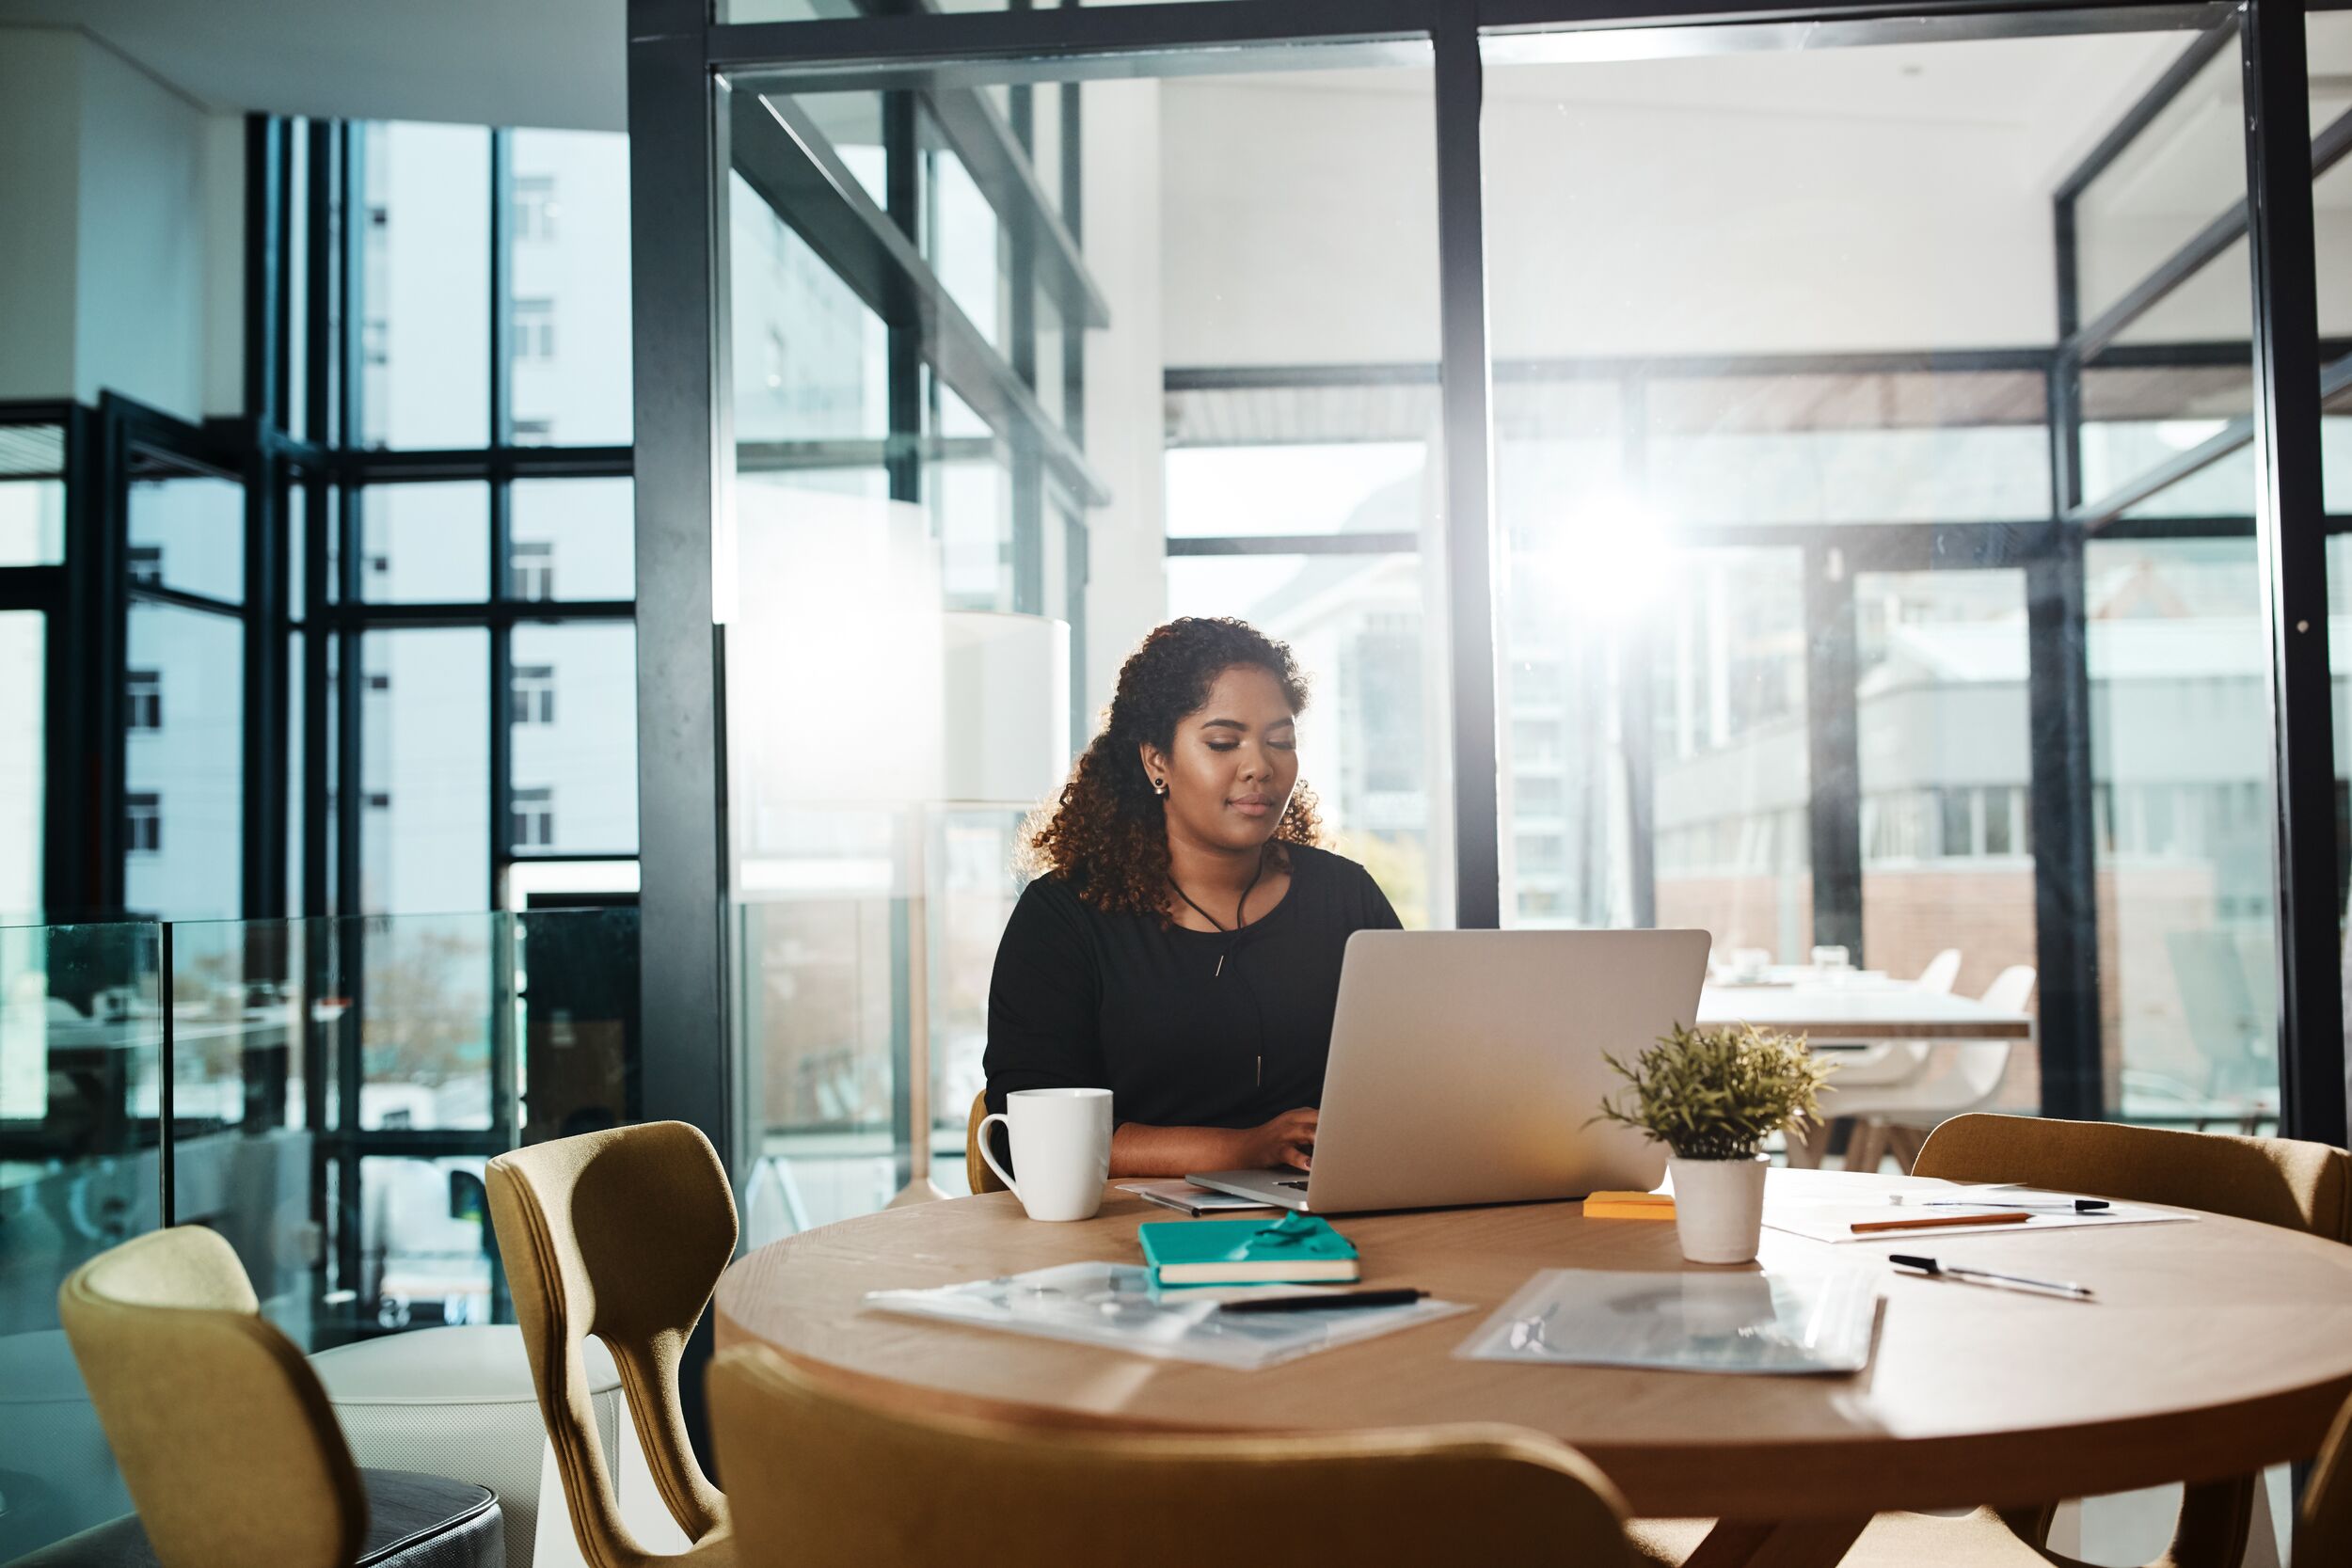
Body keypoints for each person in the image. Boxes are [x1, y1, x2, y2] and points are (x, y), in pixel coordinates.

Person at [983, 617, 1402, 1178]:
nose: (1260, 766)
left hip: (1324, 1217)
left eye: (1281, 741)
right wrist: (1242, 1149)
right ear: (1157, 759)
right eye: (1223, 742)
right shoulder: (1063, 917)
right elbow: (1027, 1130)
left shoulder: (1345, 896)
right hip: (1123, 1234)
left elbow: (1414, 1078)